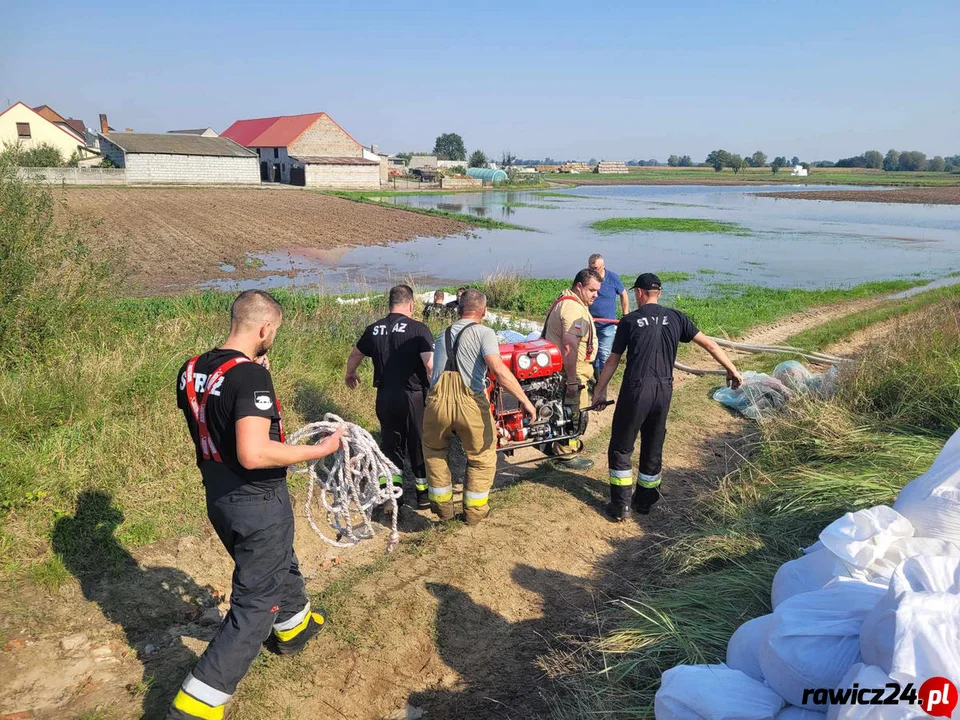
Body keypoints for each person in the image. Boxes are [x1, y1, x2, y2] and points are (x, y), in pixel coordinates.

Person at [171, 290, 344, 720]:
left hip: (220, 496)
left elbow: (217, 415)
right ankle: (193, 707)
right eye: (275, 333)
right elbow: (254, 452)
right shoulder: (248, 377)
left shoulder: (192, 369)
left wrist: (254, 376)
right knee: (254, 604)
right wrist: (317, 452)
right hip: (256, 501)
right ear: (265, 327)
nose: (273, 339)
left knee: (276, 562)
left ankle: (295, 629)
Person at [592, 274, 743, 522]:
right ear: (659, 293)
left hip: (636, 389)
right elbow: (710, 345)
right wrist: (731, 369)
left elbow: (613, 360)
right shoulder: (676, 317)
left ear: (639, 293)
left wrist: (599, 391)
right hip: (664, 390)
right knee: (653, 444)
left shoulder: (629, 321)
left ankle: (621, 507)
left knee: (621, 446)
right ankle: (645, 502)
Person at [422, 289, 536, 525]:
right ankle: (473, 514)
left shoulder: (442, 334)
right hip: (470, 402)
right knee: (482, 457)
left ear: (460, 309)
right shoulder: (485, 333)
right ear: (483, 311)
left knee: (434, 453)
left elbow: (432, 370)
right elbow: (498, 371)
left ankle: (443, 512)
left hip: (436, 403)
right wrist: (524, 400)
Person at [345, 284, 435, 508]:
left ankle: (393, 494)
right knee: (418, 443)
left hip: (385, 396)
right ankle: (422, 494)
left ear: (390, 304)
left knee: (390, 444)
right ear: (411, 304)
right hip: (412, 397)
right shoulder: (418, 329)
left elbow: (357, 353)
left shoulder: (374, 329)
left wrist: (350, 373)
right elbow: (430, 365)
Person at [541, 268, 602, 471]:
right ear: (579, 286)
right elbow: (569, 345)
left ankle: (562, 448)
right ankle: (567, 456)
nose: (596, 295)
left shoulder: (567, 302)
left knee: (566, 413)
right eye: (592, 290)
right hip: (571, 371)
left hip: (568, 369)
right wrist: (573, 380)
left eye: (598, 291)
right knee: (573, 414)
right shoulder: (573, 308)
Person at [587, 254, 629, 375]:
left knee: (604, 354)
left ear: (603, 266)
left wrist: (625, 314)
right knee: (590, 352)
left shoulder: (613, 278)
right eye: (590, 268)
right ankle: (595, 377)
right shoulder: (586, 278)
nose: (592, 271)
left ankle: (601, 384)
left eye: (595, 269)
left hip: (607, 324)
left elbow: (623, 294)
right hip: (590, 323)